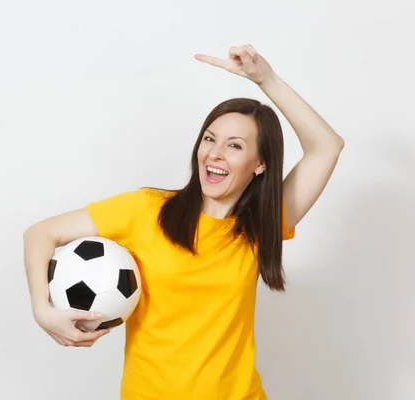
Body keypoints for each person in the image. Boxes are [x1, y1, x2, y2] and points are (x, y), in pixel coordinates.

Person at [23, 44, 345, 399]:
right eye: (210, 139)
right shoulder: (146, 209)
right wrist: (43, 309)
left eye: (235, 145)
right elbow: (42, 233)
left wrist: (266, 79)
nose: (215, 153)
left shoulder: (260, 226)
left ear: (260, 164)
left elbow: (327, 146)